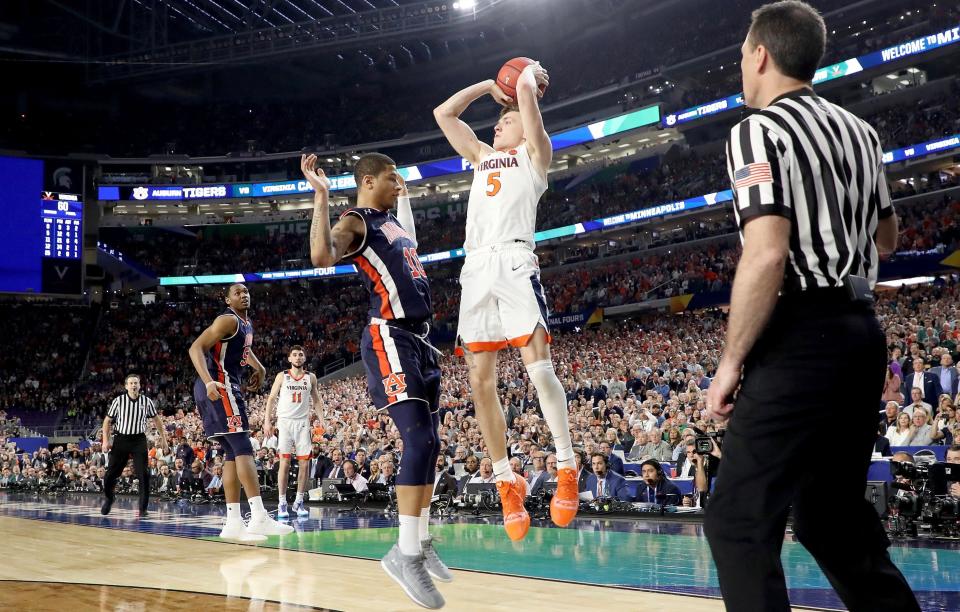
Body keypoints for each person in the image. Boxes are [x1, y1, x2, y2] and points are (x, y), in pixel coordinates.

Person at [701, 3, 919, 611]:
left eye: (744, 53)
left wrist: (730, 362)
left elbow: (768, 254)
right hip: (859, 330)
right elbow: (887, 238)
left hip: (800, 331)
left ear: (762, 55)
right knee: (831, 518)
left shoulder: (756, 130)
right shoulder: (859, 131)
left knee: (738, 521)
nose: (741, 65)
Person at [434, 57, 580, 542]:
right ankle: (505, 480)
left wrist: (524, 83)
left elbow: (527, 112)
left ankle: (565, 464)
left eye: (508, 118)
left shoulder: (535, 156)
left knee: (538, 366)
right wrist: (486, 84)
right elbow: (444, 115)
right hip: (475, 267)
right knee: (480, 381)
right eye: (499, 119)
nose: (499, 123)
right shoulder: (480, 155)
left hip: (515, 260)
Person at [303, 151, 449, 608]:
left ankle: (420, 543)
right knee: (419, 442)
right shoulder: (357, 219)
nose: (399, 185)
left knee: (433, 444)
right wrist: (322, 196)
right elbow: (321, 255)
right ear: (367, 181)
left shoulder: (396, 224)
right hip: (389, 336)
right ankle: (403, 555)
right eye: (392, 178)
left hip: (421, 341)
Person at [188, 283, 293, 542]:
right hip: (217, 385)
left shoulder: (246, 324)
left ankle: (234, 522)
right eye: (238, 293)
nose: (244, 295)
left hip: (219, 386)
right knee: (243, 446)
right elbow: (195, 348)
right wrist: (210, 380)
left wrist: (260, 368)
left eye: (246, 291)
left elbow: (245, 350)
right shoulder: (227, 320)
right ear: (227, 300)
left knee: (233, 453)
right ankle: (258, 516)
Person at [263, 345, 322, 519]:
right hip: (285, 423)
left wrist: (322, 419)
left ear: (304, 358)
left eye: (300, 355)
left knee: (305, 464)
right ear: (289, 358)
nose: (297, 357)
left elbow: (316, 400)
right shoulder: (282, 376)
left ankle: (299, 501)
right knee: (285, 463)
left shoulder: (311, 377)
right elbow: (272, 398)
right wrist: (267, 421)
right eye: (294, 355)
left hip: (303, 423)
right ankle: (282, 502)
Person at [100, 374, 168, 517]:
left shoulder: (146, 401)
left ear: (139, 385)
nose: (133, 385)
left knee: (143, 474)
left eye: (136, 383)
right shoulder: (118, 401)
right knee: (110, 474)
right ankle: (110, 497)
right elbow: (107, 421)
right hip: (121, 439)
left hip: (138, 440)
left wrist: (164, 440)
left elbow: (157, 420)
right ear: (126, 386)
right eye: (130, 383)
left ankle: (143, 509)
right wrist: (105, 441)